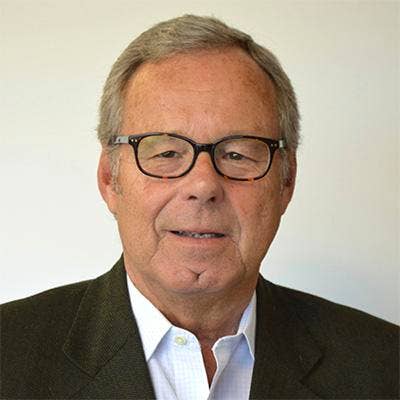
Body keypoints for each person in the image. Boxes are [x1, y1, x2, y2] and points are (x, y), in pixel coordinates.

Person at [1, 14, 398, 400]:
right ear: (110, 178)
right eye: (166, 152)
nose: (203, 185)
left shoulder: (386, 368)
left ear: (286, 181)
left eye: (238, 154)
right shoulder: (9, 357)